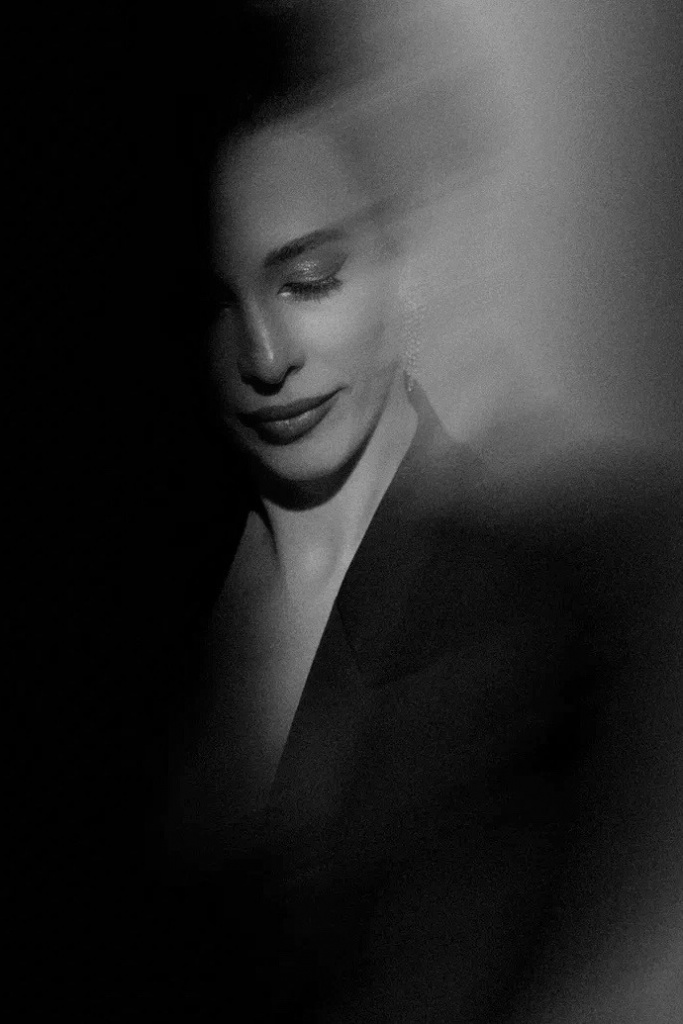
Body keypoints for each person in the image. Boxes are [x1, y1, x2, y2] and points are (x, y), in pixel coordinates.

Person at [157, 5, 683, 1022]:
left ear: (404, 270)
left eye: (307, 278)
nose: (262, 348)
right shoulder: (216, 578)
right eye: (220, 293)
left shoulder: (584, 586)